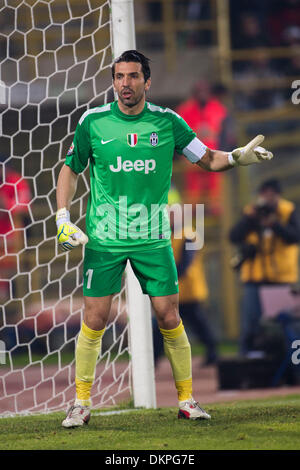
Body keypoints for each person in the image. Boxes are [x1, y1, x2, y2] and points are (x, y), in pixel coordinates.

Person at [55, 49, 273, 428]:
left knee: (170, 314)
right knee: (95, 316)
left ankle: (187, 400)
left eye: (134, 76)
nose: (126, 83)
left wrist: (236, 157)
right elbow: (69, 169)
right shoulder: (93, 122)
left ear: (147, 81)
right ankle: (81, 403)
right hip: (105, 237)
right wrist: (62, 217)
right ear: (114, 81)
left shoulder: (168, 123)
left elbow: (206, 158)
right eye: (120, 76)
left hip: (153, 237)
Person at [229, 178, 300, 356]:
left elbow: (295, 236)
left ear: (278, 195)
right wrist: (249, 219)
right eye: (264, 194)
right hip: (255, 278)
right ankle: (247, 362)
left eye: (272, 195)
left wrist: (275, 225)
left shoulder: (288, 211)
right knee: (251, 323)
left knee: (284, 323)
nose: (268, 199)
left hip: (281, 278)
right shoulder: (252, 213)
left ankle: (288, 365)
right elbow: (233, 236)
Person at [152, 187, 218, 368]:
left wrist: (164, 275)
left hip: (188, 290)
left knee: (198, 324)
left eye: (171, 212)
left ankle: (213, 352)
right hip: (172, 290)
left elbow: (185, 264)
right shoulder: (166, 235)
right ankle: (154, 359)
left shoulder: (189, 234)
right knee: (160, 324)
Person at [175, 79, 235, 214]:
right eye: (199, 91)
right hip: (192, 161)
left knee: (215, 200)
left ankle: (215, 216)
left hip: (213, 157)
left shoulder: (219, 109)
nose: (202, 94)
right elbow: (177, 135)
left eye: (205, 91)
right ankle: (194, 218)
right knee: (193, 199)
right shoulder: (184, 110)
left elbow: (226, 135)